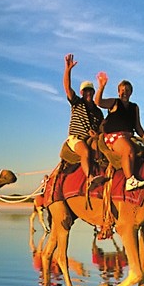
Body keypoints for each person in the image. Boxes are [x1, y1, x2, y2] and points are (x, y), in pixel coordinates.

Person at [95, 74, 144, 191]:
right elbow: (98, 102)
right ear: (118, 92)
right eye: (122, 90)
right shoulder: (114, 103)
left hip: (129, 136)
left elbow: (137, 126)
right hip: (113, 136)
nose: (125, 92)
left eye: (127, 90)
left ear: (131, 93)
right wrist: (101, 87)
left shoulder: (134, 107)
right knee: (128, 150)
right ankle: (130, 180)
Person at [63, 53, 106, 190]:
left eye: (90, 91)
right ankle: (90, 178)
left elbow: (102, 127)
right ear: (82, 93)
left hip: (92, 138)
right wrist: (68, 70)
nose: (88, 93)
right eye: (86, 91)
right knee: (86, 152)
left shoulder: (98, 111)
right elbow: (67, 87)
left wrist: (98, 134)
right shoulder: (77, 103)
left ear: (93, 92)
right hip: (77, 138)